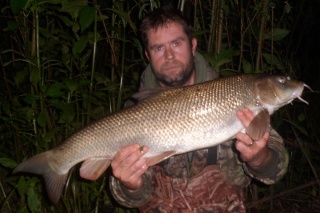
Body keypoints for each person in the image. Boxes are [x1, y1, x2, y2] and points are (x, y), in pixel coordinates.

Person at [109, 8, 288, 212]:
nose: (169, 56)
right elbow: (131, 198)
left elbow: (276, 169)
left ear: (193, 45)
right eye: (158, 48)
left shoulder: (232, 94)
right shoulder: (133, 111)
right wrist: (130, 186)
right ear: (147, 55)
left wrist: (259, 158)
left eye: (176, 44)